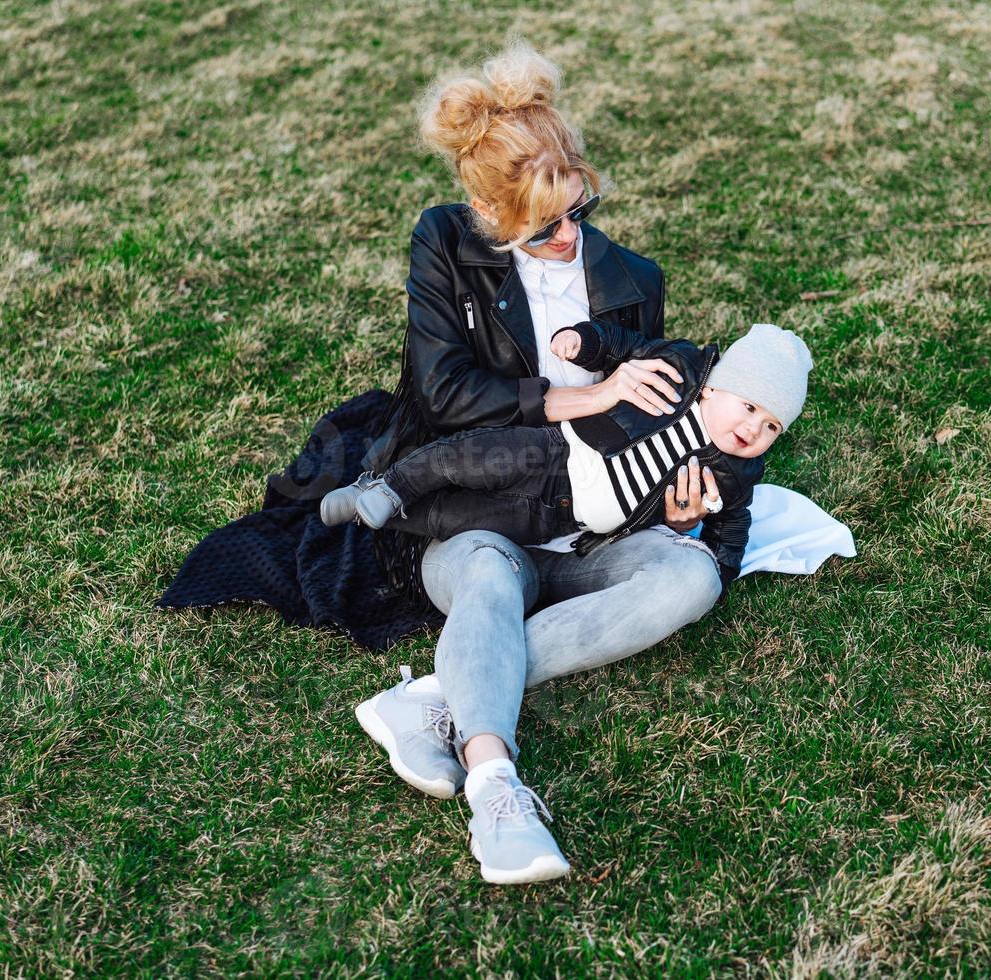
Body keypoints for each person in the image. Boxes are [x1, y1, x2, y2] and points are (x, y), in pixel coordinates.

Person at [352, 42, 737, 885]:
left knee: (692, 577)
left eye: (578, 208)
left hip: (592, 530)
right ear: (493, 217)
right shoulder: (445, 245)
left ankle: (435, 697)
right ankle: (496, 788)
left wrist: (675, 504)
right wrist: (585, 399)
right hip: (478, 516)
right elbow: (446, 392)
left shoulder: (632, 279)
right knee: (488, 583)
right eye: (542, 227)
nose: (569, 236)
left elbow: (660, 411)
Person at [320, 322, 813, 605]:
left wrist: (721, 574)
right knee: (465, 460)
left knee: (457, 517)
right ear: (714, 387)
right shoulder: (679, 369)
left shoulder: (734, 476)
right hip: (555, 453)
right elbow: (626, 345)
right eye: (749, 407)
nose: (754, 430)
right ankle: (386, 485)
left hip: (560, 515)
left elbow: (732, 527)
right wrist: (585, 341)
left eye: (771, 426)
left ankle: (388, 514)